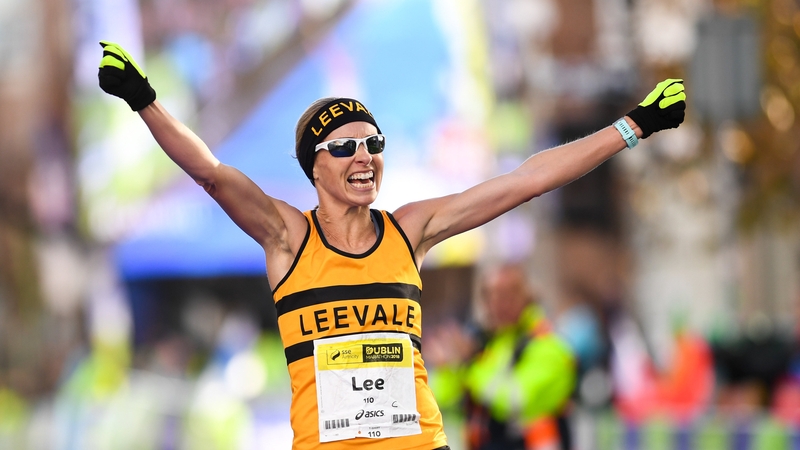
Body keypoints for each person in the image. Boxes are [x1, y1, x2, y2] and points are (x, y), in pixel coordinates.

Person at [96, 40, 686, 450]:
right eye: (345, 147)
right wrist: (143, 98)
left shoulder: (410, 230)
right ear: (314, 169)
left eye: (373, 142)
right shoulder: (287, 236)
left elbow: (525, 181)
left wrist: (631, 127)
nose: (364, 157)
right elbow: (211, 171)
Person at [428, 264, 576, 450]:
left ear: (529, 297)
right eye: (490, 295)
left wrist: (471, 362)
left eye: (507, 294)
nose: (498, 303)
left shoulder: (548, 346)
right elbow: (446, 400)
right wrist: (448, 366)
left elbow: (515, 401)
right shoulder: (489, 343)